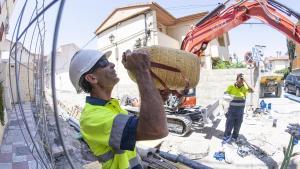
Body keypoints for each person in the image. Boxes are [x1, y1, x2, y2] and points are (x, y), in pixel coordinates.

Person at [69, 49, 169, 169]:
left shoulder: (112, 106)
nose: (112, 64)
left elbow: (145, 124)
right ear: (92, 78)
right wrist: (141, 71)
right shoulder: (92, 118)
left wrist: (158, 96)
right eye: (104, 63)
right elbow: (156, 129)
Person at [223, 73, 254, 143]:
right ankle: (226, 138)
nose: (241, 80)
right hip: (232, 111)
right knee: (229, 126)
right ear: (236, 79)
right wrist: (225, 109)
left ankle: (234, 138)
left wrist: (246, 81)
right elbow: (225, 96)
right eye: (240, 78)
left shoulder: (244, 88)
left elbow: (252, 90)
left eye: (242, 79)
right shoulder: (231, 86)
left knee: (238, 126)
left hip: (240, 111)